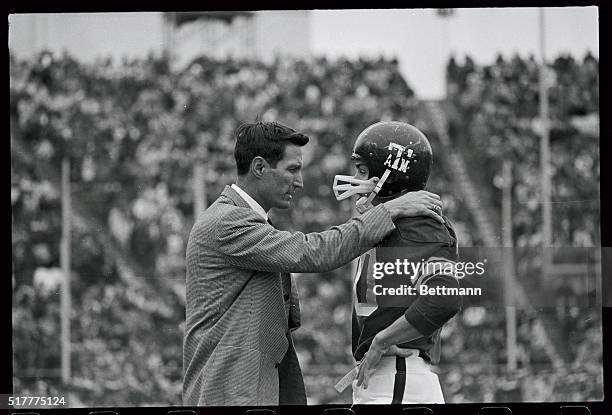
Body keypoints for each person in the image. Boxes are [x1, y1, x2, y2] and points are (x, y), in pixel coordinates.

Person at [183, 121, 445, 406]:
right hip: (232, 392)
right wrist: (388, 210)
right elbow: (312, 252)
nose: (299, 181)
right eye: (292, 169)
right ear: (259, 168)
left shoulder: (244, 219)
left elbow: (439, 301)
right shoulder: (228, 221)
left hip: (247, 387)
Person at [332, 121, 462, 404]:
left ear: (391, 174)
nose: (355, 177)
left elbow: (443, 299)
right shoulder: (392, 223)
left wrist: (382, 340)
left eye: (363, 169)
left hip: (398, 377)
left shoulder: (420, 226)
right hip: (387, 378)